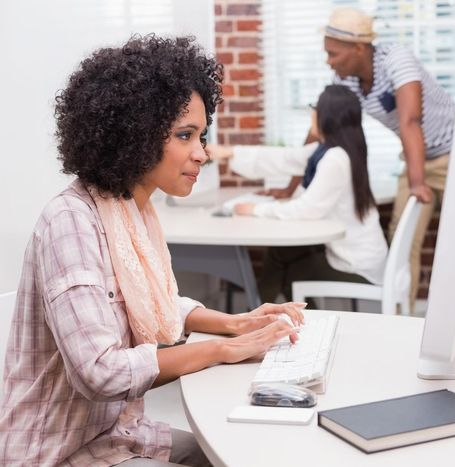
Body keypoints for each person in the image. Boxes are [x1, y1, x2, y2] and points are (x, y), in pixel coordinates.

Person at [0, 35, 305, 467]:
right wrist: (221, 349)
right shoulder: (71, 222)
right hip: (57, 451)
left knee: (232, 453)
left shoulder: (132, 211)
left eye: (201, 136)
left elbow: (151, 304)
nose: (201, 153)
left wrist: (234, 324)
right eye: (185, 136)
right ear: (135, 135)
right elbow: (100, 372)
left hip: (115, 433)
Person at [261, 7, 455, 311]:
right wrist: (290, 188)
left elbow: (410, 121)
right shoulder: (349, 79)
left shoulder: (396, 60)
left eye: (334, 54)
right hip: (416, 156)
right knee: (403, 240)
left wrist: (417, 182)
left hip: (454, 155)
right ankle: (401, 316)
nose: (329, 61)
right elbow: (319, 130)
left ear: (358, 48)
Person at [211, 85, 388, 305]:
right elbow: (285, 158)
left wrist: (255, 209)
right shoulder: (338, 151)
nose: (311, 113)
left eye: (315, 107)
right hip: (363, 258)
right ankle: (264, 314)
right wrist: (230, 153)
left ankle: (257, 314)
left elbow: (306, 209)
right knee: (284, 257)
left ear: (327, 115)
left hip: (357, 267)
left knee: (285, 265)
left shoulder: (335, 158)